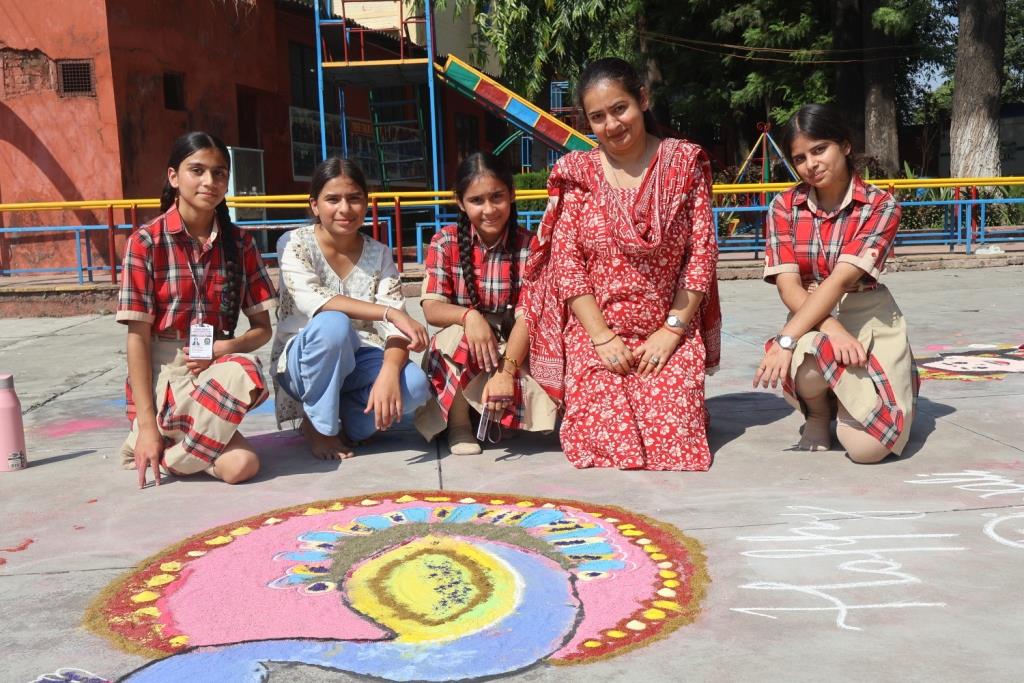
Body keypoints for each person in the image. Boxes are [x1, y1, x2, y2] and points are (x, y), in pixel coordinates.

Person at [522, 57, 722, 471]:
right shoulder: (576, 172)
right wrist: (600, 337)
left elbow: (701, 253)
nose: (612, 125)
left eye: (620, 109)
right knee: (609, 437)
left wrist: (671, 332)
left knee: (673, 440)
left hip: (667, 330)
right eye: (597, 117)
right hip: (596, 331)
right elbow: (567, 263)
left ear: (643, 100)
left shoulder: (684, 164)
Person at [754, 103, 918, 463]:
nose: (810, 164)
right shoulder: (783, 206)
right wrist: (825, 330)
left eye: (819, 149)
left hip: (870, 312)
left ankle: (866, 393)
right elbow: (788, 287)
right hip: (808, 311)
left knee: (867, 450)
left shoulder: (880, 205)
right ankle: (819, 412)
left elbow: (844, 278)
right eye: (799, 158)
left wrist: (789, 337)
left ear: (844, 146)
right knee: (810, 363)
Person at [117, 131, 277, 487]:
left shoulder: (241, 243)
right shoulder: (146, 242)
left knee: (243, 377)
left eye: (219, 173)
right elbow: (137, 339)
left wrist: (225, 348)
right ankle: (152, 433)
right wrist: (145, 425)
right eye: (197, 170)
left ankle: (166, 448)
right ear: (174, 177)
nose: (210, 181)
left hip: (214, 368)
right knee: (241, 463)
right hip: (164, 370)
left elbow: (262, 329)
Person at [272, 157, 431, 460]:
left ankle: (349, 423)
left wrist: (389, 370)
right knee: (334, 325)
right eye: (332, 199)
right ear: (314, 205)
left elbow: (395, 330)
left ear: (366, 203)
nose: (345, 209)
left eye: (354, 198)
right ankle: (319, 426)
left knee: (414, 385)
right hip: (303, 362)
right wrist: (389, 313)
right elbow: (314, 301)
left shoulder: (379, 254)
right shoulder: (294, 243)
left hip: (359, 360)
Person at [414, 152, 558, 455]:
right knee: (460, 339)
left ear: (512, 195)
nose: (489, 209)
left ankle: (491, 412)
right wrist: (470, 317)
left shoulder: (529, 245)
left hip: (512, 344)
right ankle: (458, 424)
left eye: (497, 197)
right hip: (462, 341)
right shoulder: (445, 241)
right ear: (460, 202)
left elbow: (528, 318)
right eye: (477, 200)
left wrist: (506, 373)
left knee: (543, 365)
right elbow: (431, 308)